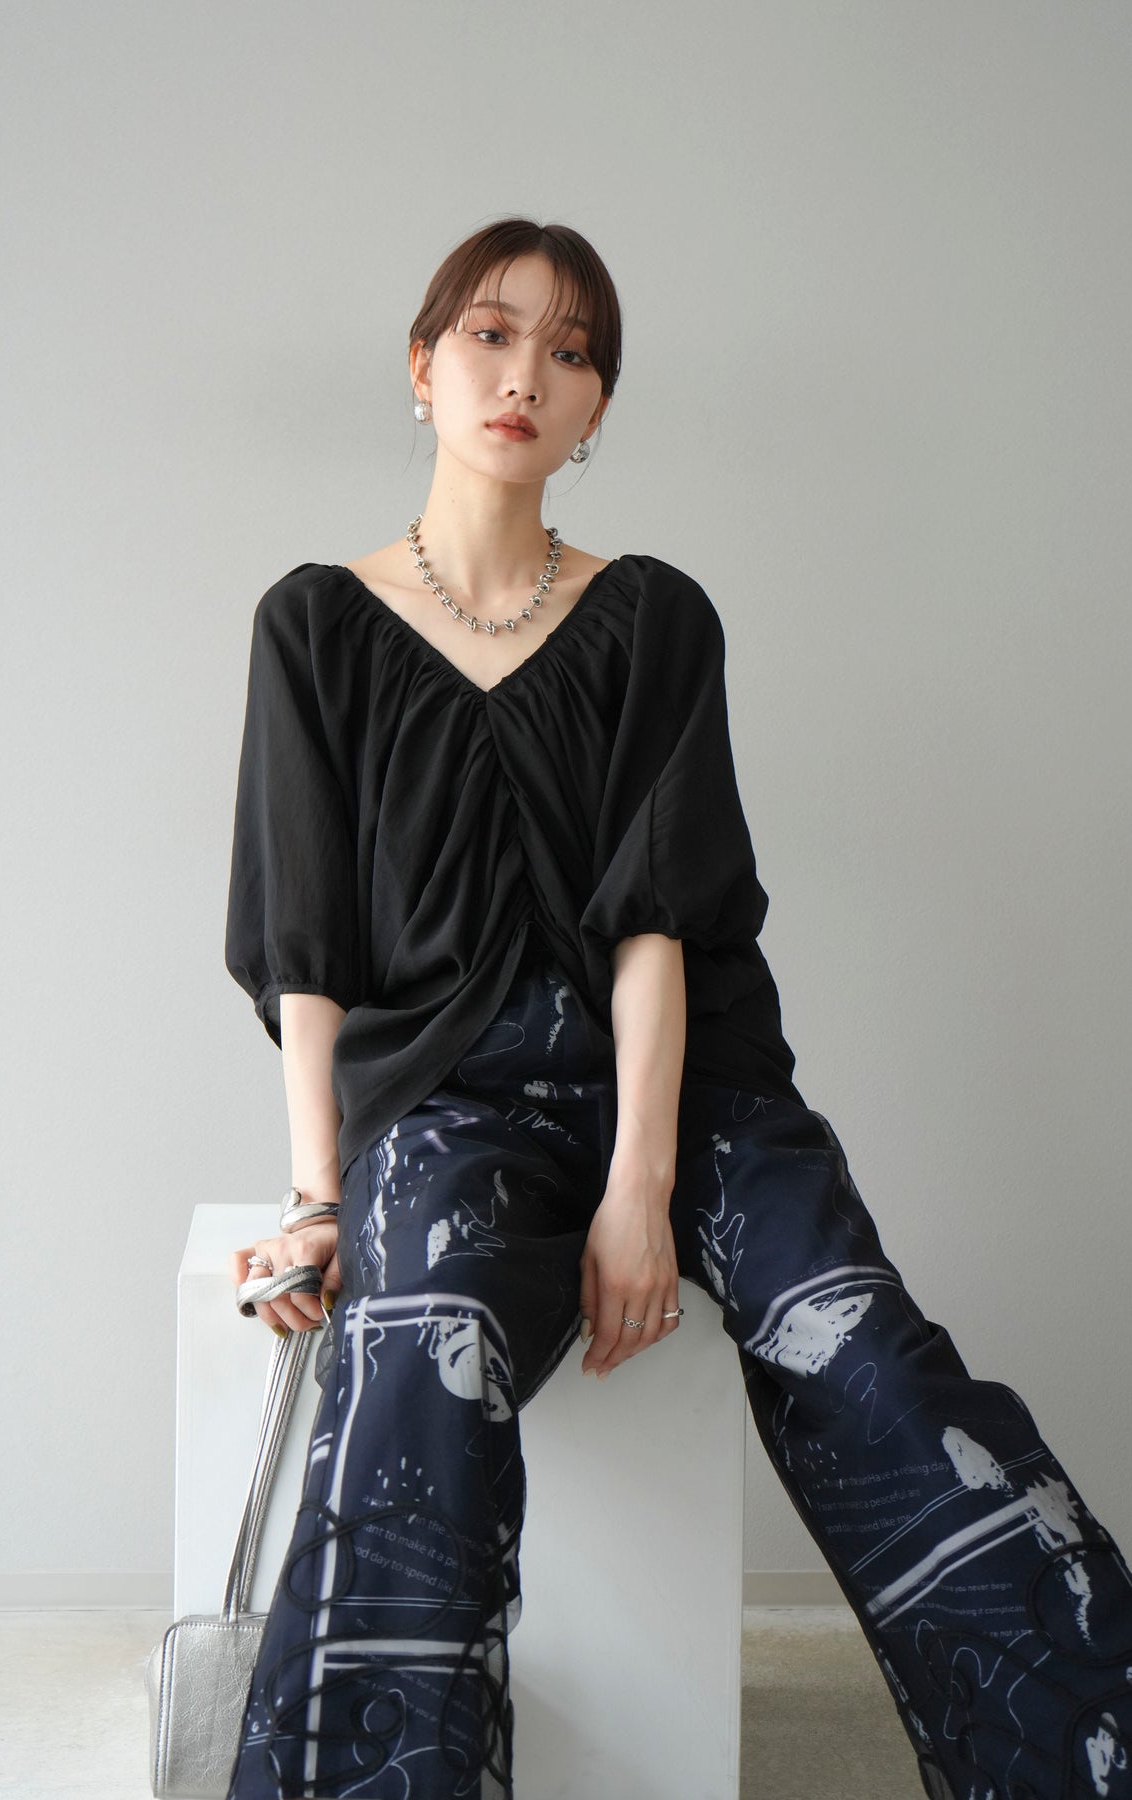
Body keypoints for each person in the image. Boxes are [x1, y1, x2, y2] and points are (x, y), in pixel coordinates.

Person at [220, 217, 1132, 1800]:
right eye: (490, 334)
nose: (524, 374)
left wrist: (638, 1187)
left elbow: (657, 917)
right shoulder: (311, 625)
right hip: (447, 1100)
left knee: (871, 1368)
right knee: (409, 1380)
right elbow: (306, 945)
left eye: (569, 352)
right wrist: (319, 1194)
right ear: (421, 367)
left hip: (692, 1092)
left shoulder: (653, 616)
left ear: (595, 408)